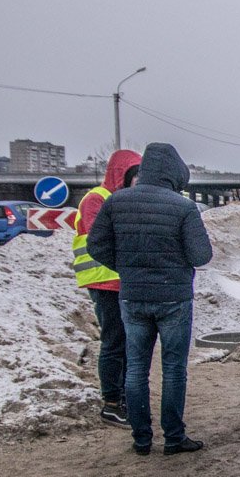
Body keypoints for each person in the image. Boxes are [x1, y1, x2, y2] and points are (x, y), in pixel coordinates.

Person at [87, 142, 213, 456]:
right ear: (175, 173)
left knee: (136, 369)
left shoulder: (117, 202)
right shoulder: (183, 207)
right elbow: (201, 255)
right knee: (173, 369)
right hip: (174, 299)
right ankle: (173, 437)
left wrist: (127, 268)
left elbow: (95, 245)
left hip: (133, 298)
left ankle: (141, 439)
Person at [73, 149, 143, 427]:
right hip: (103, 281)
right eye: (134, 176)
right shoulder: (96, 199)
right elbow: (99, 239)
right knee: (114, 342)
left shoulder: (124, 200)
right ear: (121, 175)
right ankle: (111, 403)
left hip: (121, 281)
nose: (138, 181)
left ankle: (124, 397)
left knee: (125, 342)